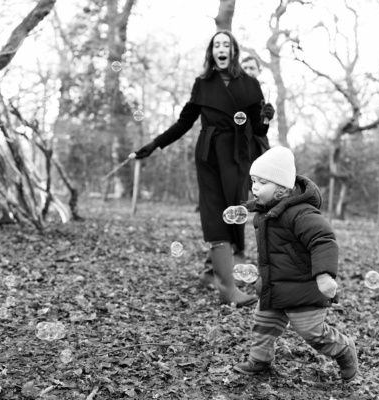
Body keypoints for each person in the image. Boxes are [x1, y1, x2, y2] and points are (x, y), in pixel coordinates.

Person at [133, 30, 275, 307]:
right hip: (209, 154)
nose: (221, 48)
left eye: (226, 44)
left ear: (233, 51)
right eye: (216, 45)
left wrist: (267, 118)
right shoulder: (203, 83)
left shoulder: (250, 85)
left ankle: (228, 279)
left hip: (236, 156)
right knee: (214, 216)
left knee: (233, 215)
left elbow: (258, 128)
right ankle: (227, 288)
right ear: (212, 52)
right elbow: (184, 122)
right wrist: (154, 144)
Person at [233, 146, 359, 382]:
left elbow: (323, 240)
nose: (255, 187)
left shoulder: (302, 213)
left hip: (304, 288)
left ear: (281, 189)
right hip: (275, 286)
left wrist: (323, 274)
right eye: (253, 181)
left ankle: (344, 350)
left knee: (313, 333)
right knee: (263, 325)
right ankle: (260, 360)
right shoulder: (264, 213)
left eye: (262, 182)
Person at [198, 55, 271, 289]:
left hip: (253, 163)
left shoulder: (258, 100)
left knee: (241, 215)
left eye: (253, 68)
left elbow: (260, 131)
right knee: (229, 213)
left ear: (259, 72)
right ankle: (215, 270)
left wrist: (267, 117)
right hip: (232, 162)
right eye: (245, 68)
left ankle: (231, 270)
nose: (249, 71)